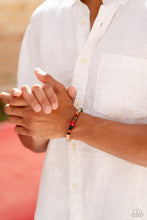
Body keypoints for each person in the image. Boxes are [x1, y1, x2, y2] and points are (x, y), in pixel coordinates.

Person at [0, 0, 147, 219]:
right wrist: (37, 115)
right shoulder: (46, 16)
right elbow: (33, 142)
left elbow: (65, 124)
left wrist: (73, 123)